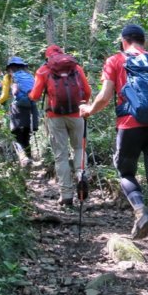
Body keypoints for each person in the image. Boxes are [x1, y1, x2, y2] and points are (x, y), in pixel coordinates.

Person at [79, 24, 148, 261]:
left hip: (129, 127)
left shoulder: (115, 61)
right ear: (143, 41)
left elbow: (105, 97)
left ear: (123, 41)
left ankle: (139, 211)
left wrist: (88, 110)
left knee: (125, 173)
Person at [29, 44, 91, 207]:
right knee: (79, 148)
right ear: (62, 54)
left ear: (47, 56)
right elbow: (87, 90)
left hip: (55, 117)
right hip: (77, 114)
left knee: (61, 155)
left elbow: (35, 96)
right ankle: (80, 173)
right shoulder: (76, 67)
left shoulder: (44, 70)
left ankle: (66, 195)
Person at [0, 56, 40, 166]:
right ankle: (29, 158)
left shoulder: (9, 77)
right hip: (31, 107)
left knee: (15, 135)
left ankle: (23, 158)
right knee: (26, 133)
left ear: (10, 67)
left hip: (17, 107)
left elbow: (5, 95)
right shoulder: (29, 75)